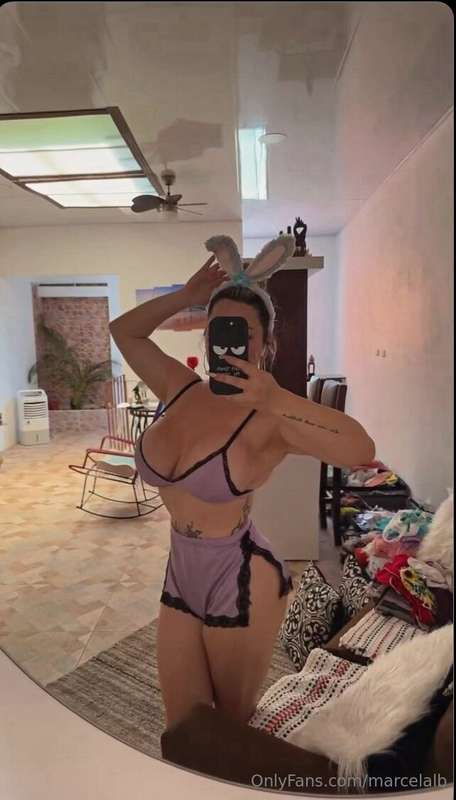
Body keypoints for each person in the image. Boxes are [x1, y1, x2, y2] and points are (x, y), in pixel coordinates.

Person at [109, 234, 375, 729]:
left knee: (232, 726)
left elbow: (360, 448)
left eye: (242, 331)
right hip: (180, 571)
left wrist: (277, 400)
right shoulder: (179, 387)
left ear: (265, 343)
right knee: (183, 727)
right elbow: (123, 331)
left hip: (241, 577)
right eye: (217, 326)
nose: (227, 340)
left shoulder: (270, 418)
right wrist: (186, 296)